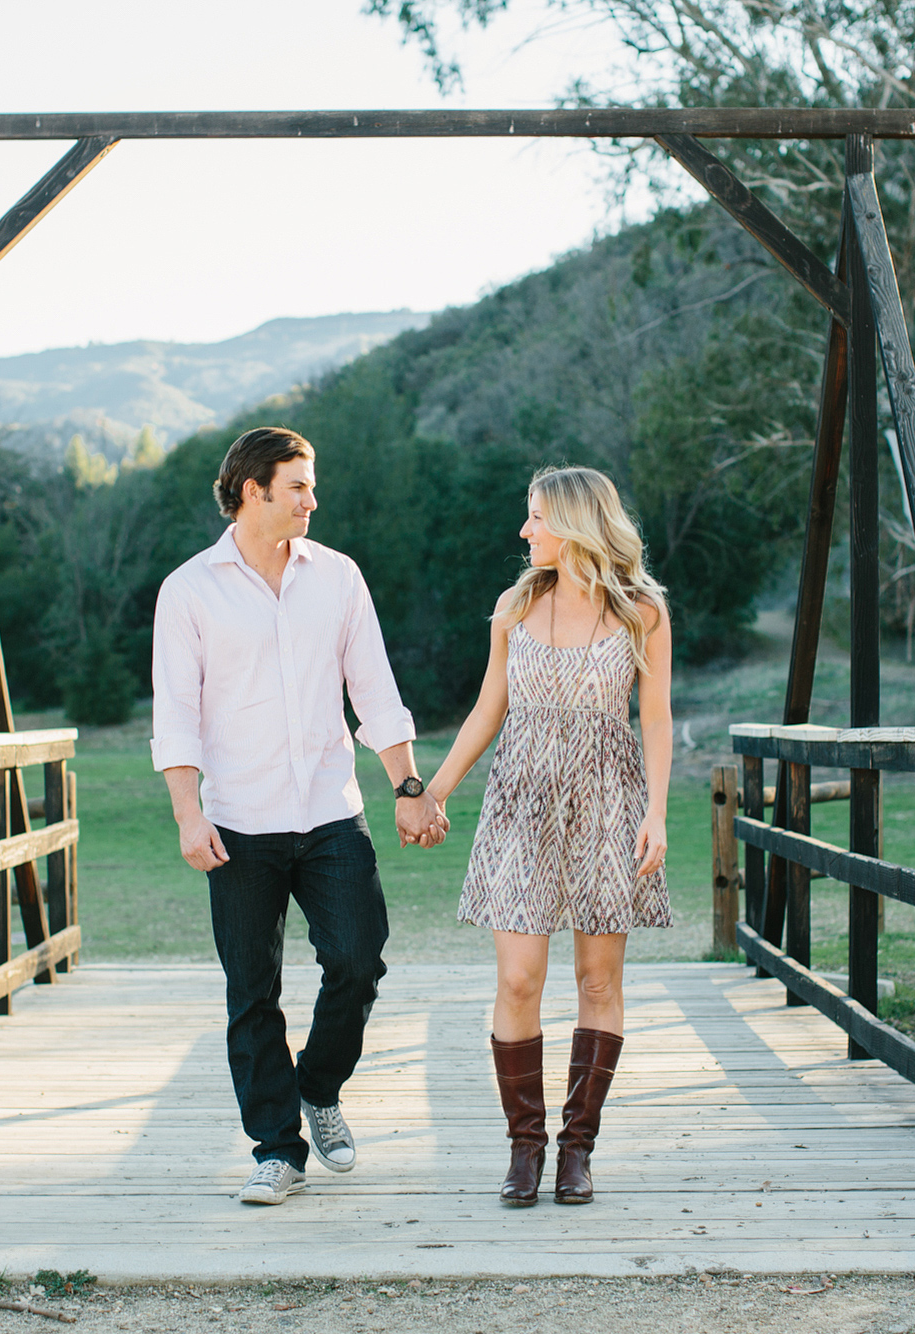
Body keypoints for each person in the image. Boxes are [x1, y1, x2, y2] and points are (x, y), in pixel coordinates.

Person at [150, 426, 448, 1207]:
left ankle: (318, 1086)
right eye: (299, 487)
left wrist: (408, 787)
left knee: (358, 958)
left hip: (328, 811)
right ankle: (277, 1150)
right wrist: (189, 814)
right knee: (251, 991)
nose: (314, 500)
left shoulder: (339, 578)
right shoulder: (188, 591)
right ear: (253, 490)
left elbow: (375, 692)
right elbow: (176, 716)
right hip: (238, 821)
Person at [424, 465, 673, 1207]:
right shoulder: (515, 604)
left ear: (574, 524)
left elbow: (654, 718)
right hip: (520, 803)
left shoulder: (642, 611)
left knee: (598, 981)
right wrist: (432, 791)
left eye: (536, 518)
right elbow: (486, 710)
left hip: (608, 802)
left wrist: (656, 811)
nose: (524, 531)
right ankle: (524, 1148)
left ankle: (578, 1150)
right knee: (517, 978)